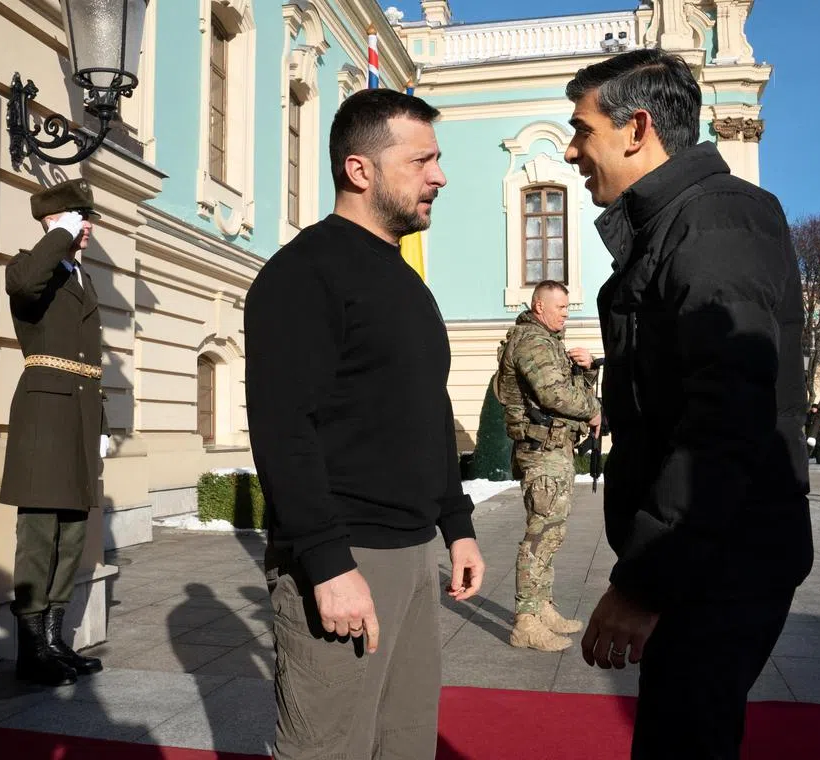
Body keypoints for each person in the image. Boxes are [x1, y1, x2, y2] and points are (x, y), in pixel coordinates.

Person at [563, 49, 813, 759]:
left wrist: (646, 580)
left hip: (717, 565)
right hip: (709, 560)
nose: (574, 149)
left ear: (637, 127)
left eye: (582, 129)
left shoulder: (714, 220)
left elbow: (724, 418)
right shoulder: (682, 221)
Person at [244, 89, 486, 760]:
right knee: (328, 750)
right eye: (422, 161)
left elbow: (427, 410)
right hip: (345, 558)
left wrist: (456, 525)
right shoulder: (304, 274)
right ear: (360, 170)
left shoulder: (407, 283)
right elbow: (281, 425)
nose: (439, 176)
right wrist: (326, 561)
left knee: (405, 744)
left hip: (411, 557)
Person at [0, 179, 108, 687]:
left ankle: (53, 639)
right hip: (45, 415)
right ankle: (30, 650)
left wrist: (102, 426)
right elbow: (24, 287)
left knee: (72, 530)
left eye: (86, 222)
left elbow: (91, 364)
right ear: (56, 219)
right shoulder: (31, 265)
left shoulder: (80, 276)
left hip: (80, 416)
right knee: (40, 532)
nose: (87, 230)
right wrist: (56, 236)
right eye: (79, 220)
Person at [494, 280, 601, 652]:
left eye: (568, 308)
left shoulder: (549, 342)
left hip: (554, 452)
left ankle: (542, 607)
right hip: (541, 453)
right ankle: (525, 620)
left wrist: (585, 372)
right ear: (540, 306)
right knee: (539, 536)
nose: (566, 314)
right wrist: (595, 410)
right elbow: (552, 394)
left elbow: (569, 389)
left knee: (552, 534)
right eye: (561, 308)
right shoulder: (532, 341)